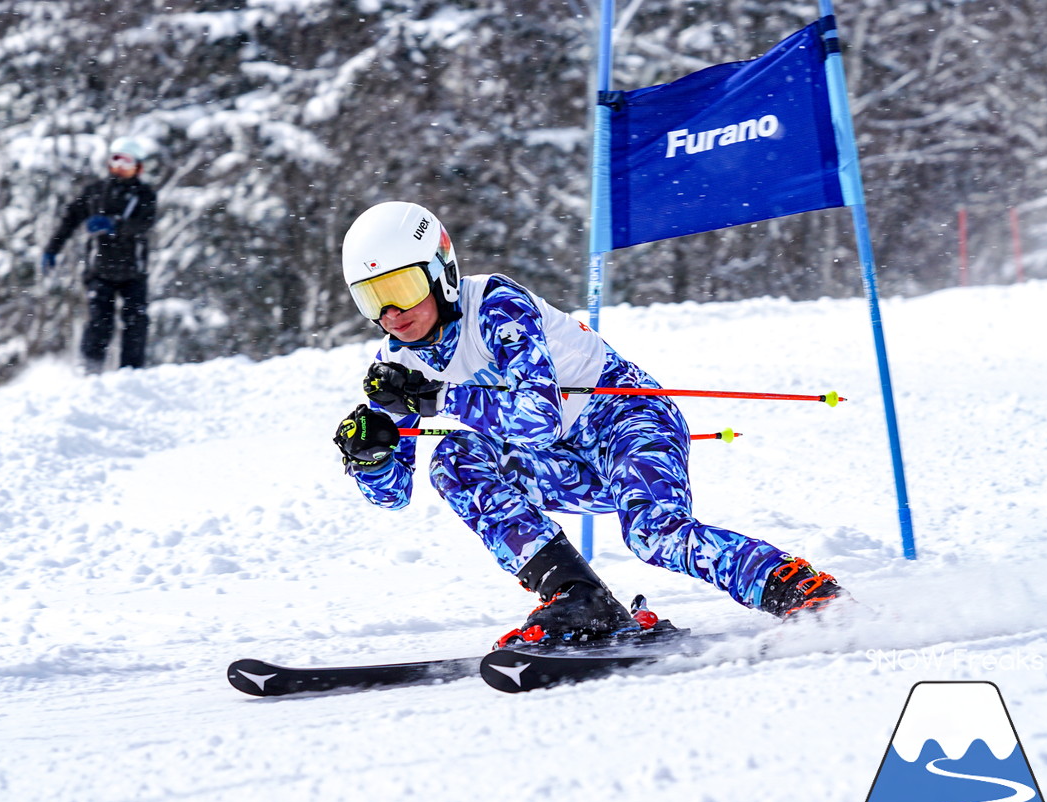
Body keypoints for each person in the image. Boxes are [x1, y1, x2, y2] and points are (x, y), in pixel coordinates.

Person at [332, 200, 850, 648]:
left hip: (628, 420)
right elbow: (392, 496)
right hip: (561, 462)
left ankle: (800, 590)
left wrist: (442, 397)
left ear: (440, 270)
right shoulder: (396, 365)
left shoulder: (493, 304)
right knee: (454, 461)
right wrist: (370, 455)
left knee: (655, 536)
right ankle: (580, 600)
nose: (392, 311)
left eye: (401, 286)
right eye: (372, 297)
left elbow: (537, 419)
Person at [42, 136, 157, 374]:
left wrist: (116, 226)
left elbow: (144, 224)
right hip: (99, 270)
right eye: (116, 162)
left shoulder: (144, 195)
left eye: (127, 163)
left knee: (136, 321)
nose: (120, 169)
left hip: (133, 271)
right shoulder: (95, 192)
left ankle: (132, 371)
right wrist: (52, 249)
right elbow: (69, 220)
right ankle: (90, 368)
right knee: (99, 321)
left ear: (138, 167)